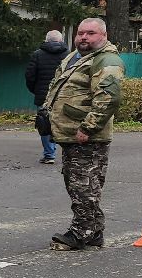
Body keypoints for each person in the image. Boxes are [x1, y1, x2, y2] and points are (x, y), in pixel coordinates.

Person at [42, 17, 124, 251]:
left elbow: (109, 98)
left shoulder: (106, 60)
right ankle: (94, 231)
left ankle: (81, 232)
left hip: (87, 136)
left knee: (83, 186)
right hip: (70, 133)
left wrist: (88, 127)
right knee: (77, 183)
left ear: (104, 36)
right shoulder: (75, 57)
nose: (84, 37)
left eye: (91, 33)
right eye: (81, 33)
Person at [24, 29, 68, 164]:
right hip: (64, 95)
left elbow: (30, 76)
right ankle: (68, 153)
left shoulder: (37, 55)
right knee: (64, 123)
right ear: (61, 40)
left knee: (44, 122)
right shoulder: (69, 55)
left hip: (43, 95)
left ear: (46, 40)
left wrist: (35, 90)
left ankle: (49, 154)